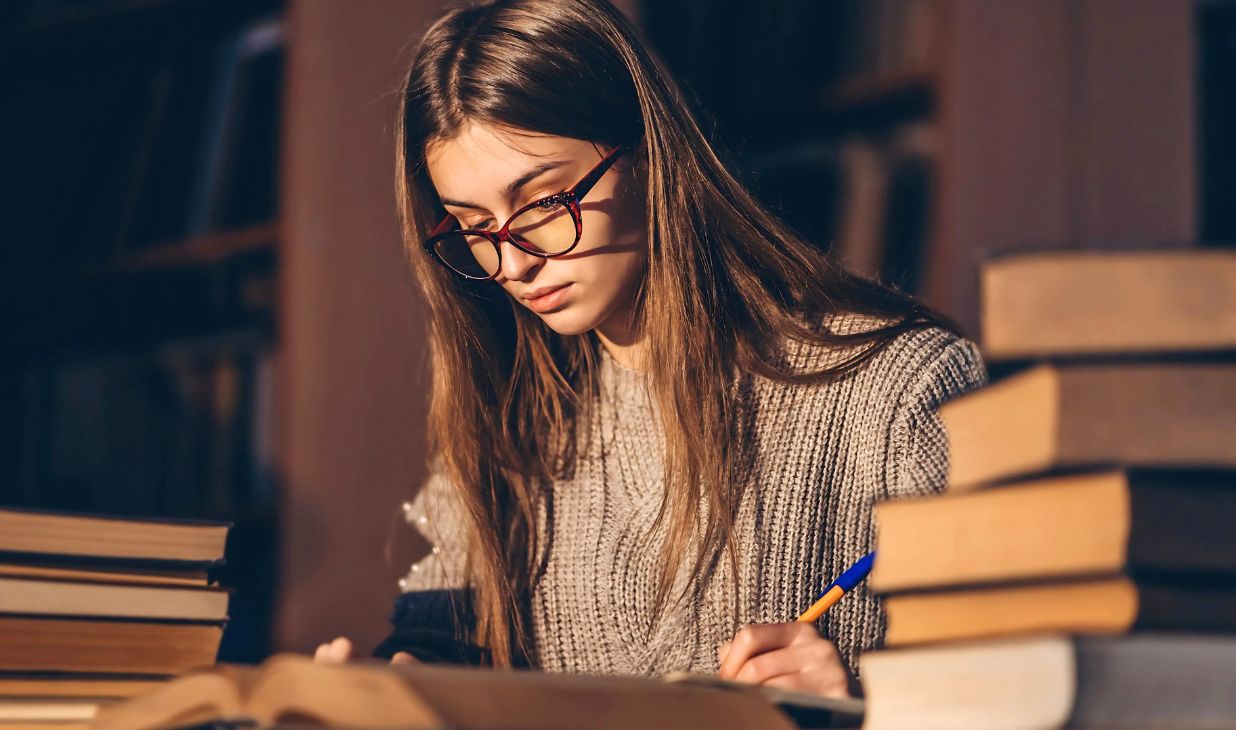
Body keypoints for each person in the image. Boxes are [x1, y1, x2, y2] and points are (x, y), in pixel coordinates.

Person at [313, 0, 987, 698]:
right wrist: (396, 686)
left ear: (647, 153)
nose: (512, 264)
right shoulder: (513, 418)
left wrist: (865, 698)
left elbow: (1020, 688)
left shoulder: (900, 389)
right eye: (474, 227)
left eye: (544, 203)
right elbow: (433, 643)